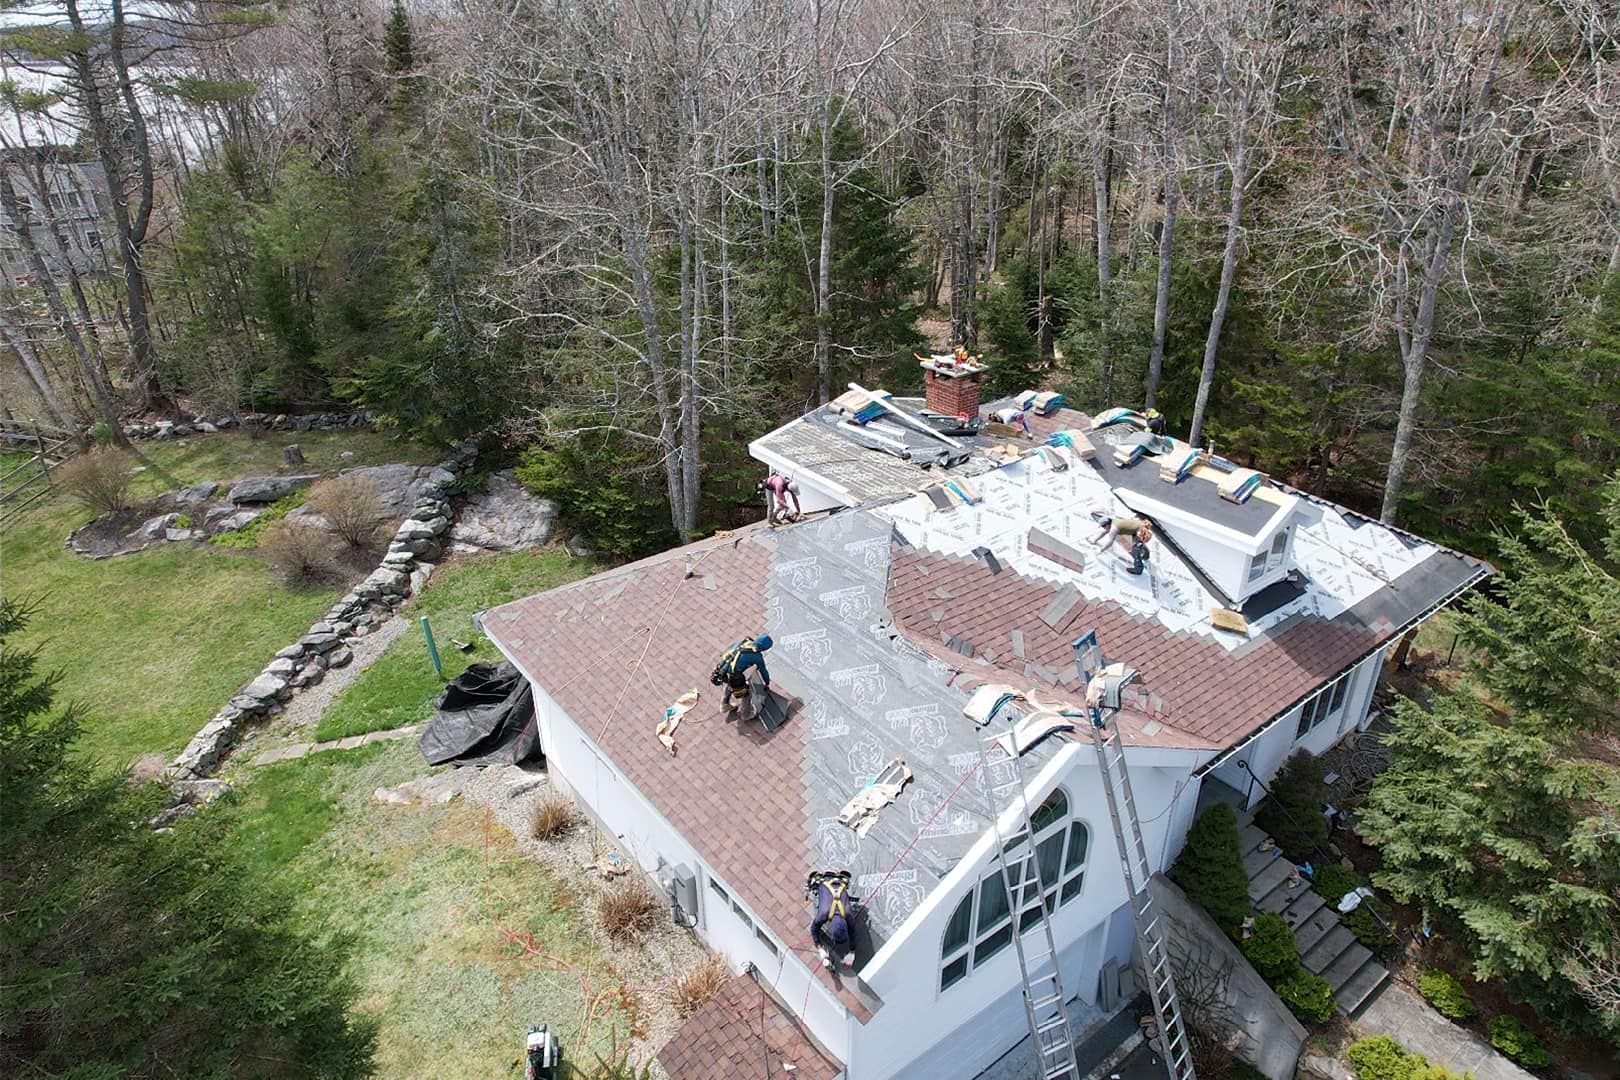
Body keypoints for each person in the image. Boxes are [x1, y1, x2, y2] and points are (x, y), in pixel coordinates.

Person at [810, 872, 856, 969]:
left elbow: (852, 931)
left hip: (836, 881)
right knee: (816, 910)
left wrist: (852, 951)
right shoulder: (823, 913)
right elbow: (814, 929)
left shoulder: (848, 913)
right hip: (825, 881)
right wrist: (820, 948)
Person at [717, 634, 773, 712]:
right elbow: (763, 671)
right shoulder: (757, 656)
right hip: (734, 676)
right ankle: (746, 714)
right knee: (746, 693)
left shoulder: (744, 642)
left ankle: (724, 704)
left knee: (729, 684)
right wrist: (767, 683)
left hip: (724, 670)